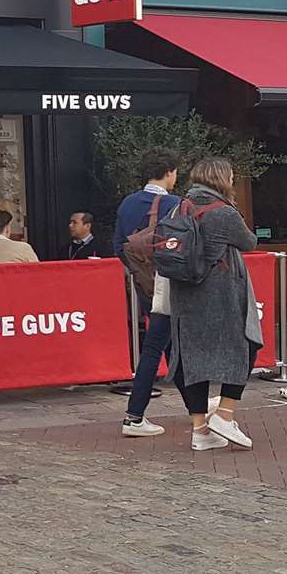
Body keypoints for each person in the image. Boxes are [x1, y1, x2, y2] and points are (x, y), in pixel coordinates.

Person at [169, 157, 263, 453]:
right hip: (221, 294)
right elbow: (249, 242)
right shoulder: (223, 211)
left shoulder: (179, 206)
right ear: (223, 179)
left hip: (184, 293)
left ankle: (200, 431)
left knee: (192, 359)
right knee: (246, 347)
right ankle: (225, 413)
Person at [116, 147, 183, 438]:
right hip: (169, 284)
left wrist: (140, 274)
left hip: (143, 285)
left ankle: (198, 404)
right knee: (156, 346)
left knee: (169, 344)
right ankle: (134, 415)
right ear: (169, 172)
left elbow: (119, 246)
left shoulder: (128, 204)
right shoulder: (177, 204)